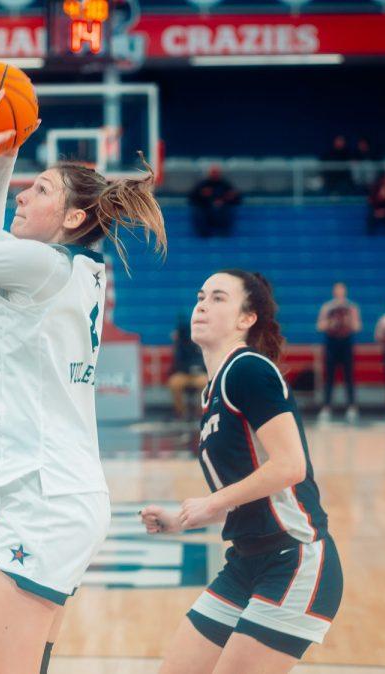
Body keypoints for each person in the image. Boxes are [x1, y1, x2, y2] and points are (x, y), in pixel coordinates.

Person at [0, 77, 166, 674]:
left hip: (46, 502)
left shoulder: (39, 264)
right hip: (62, 494)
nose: (21, 194)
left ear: (71, 216)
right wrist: (7, 150)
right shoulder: (66, 265)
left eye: (38, 189)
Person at [141, 270, 341, 674]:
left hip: (293, 559)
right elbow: (248, 491)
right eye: (200, 296)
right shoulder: (212, 390)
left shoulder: (249, 369)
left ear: (246, 319)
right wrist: (181, 519)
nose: (201, 304)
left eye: (217, 298)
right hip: (245, 563)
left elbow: (290, 466)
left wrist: (210, 502)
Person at [316, 282, 361, 423]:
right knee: (329, 377)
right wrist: (331, 323)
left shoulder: (351, 307)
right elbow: (319, 326)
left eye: (341, 289)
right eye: (337, 289)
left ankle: (352, 408)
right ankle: (326, 408)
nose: (339, 291)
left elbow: (357, 326)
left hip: (346, 343)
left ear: (345, 291)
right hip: (332, 343)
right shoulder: (327, 307)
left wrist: (347, 322)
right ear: (334, 291)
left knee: (349, 376)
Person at [167, 315, 207, 421]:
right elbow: (177, 363)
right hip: (184, 374)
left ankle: (202, 413)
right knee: (174, 382)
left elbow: (205, 361)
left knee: (206, 383)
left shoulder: (202, 342)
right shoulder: (180, 345)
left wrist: (198, 369)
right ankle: (181, 413)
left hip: (199, 375)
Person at [188, 165, 240, 238]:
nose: (214, 174)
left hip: (222, 208)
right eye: (213, 172)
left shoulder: (224, 184)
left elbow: (235, 197)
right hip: (206, 208)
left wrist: (225, 200)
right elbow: (192, 197)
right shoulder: (203, 184)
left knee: (227, 212)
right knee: (199, 213)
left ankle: (224, 233)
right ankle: (204, 234)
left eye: (216, 172)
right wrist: (203, 196)